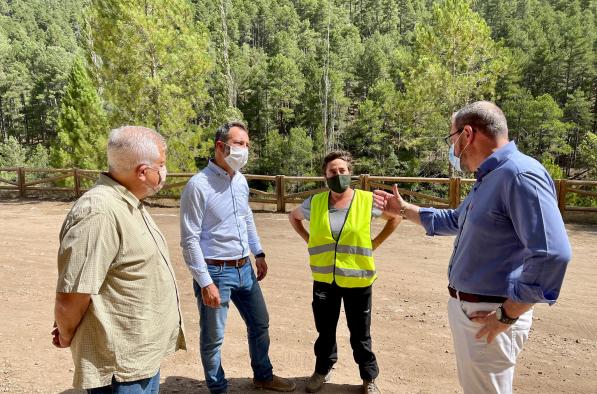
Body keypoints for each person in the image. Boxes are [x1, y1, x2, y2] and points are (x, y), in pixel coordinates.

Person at [374, 101, 572, 394]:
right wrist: (403, 210)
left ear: (467, 134)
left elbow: (551, 254)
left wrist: (508, 314)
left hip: (490, 311)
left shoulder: (518, 174)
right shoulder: (491, 177)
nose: (452, 148)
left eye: (451, 138)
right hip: (477, 309)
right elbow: (456, 220)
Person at [52, 126, 186, 393]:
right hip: (120, 370)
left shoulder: (128, 201)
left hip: (140, 359)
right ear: (142, 171)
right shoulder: (99, 212)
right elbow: (72, 297)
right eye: (161, 164)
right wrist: (66, 334)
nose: (164, 170)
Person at [180, 121, 295, 394]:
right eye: (239, 144)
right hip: (216, 273)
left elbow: (246, 219)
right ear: (221, 146)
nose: (244, 150)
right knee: (213, 338)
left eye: (247, 145)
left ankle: (263, 376)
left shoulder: (241, 181)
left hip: (245, 268)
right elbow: (189, 239)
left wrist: (259, 252)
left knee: (259, 323)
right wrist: (205, 282)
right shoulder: (198, 186)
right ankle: (218, 388)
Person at [288, 150, 401, 394]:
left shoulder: (366, 200)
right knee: (325, 330)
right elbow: (293, 218)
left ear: (350, 173)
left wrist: (375, 243)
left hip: (358, 279)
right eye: (332, 171)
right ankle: (322, 370)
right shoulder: (315, 202)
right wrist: (309, 240)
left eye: (342, 171)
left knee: (360, 333)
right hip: (324, 279)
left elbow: (395, 217)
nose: (337, 174)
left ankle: (369, 378)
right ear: (325, 176)